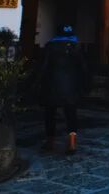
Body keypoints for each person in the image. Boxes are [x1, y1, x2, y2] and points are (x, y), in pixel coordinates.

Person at [36, 24, 89, 154]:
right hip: (71, 86)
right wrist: (85, 85)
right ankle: (72, 142)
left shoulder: (50, 46)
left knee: (50, 113)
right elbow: (84, 68)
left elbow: (42, 67)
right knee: (71, 113)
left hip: (52, 84)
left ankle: (50, 141)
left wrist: (35, 82)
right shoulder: (77, 47)